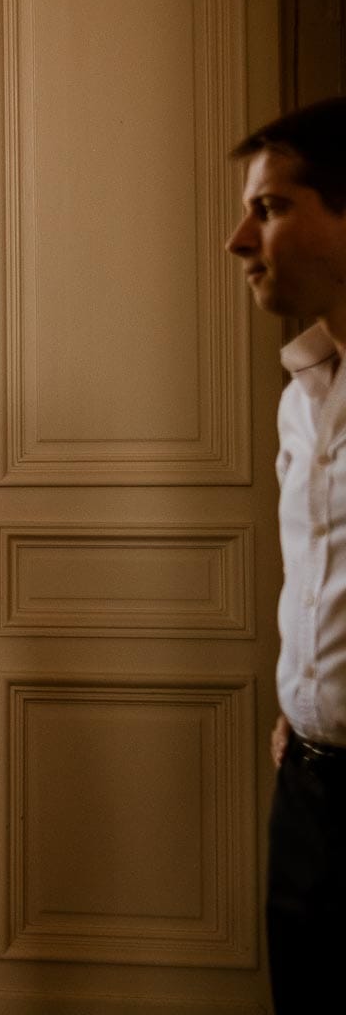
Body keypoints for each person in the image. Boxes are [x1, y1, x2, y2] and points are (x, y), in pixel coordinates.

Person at [225, 95, 346, 1013]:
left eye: (270, 208)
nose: (239, 239)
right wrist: (306, 703)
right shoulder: (301, 399)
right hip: (306, 793)